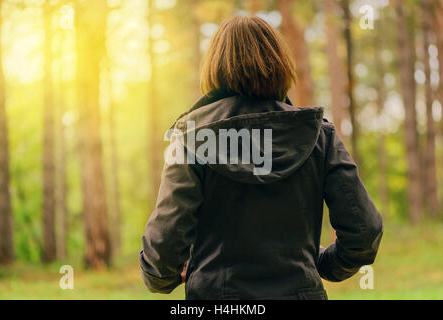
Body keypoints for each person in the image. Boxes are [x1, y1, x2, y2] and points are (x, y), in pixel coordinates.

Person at [139, 15, 383, 300]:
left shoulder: (192, 138)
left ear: (215, 66)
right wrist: (322, 265)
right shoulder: (319, 135)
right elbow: (364, 232)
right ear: (280, 63)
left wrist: (163, 277)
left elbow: (164, 246)